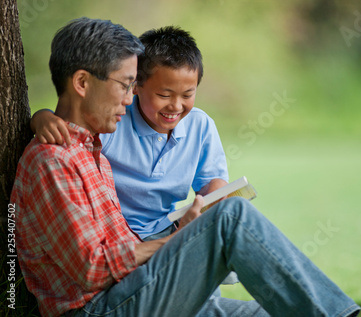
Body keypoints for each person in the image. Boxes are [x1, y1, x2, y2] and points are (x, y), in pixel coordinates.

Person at [12, 17, 361, 317]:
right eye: (125, 85)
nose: (129, 98)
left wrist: (186, 241)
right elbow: (92, 269)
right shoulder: (52, 161)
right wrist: (181, 239)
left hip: (135, 287)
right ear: (83, 83)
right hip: (103, 308)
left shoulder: (94, 152)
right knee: (231, 218)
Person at [31, 25, 228, 241]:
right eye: (164, 95)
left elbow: (211, 181)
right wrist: (41, 117)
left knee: (230, 226)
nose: (176, 106)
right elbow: (71, 126)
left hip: (168, 225)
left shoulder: (200, 125)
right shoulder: (114, 120)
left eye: (187, 95)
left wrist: (215, 192)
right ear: (135, 86)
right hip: (117, 232)